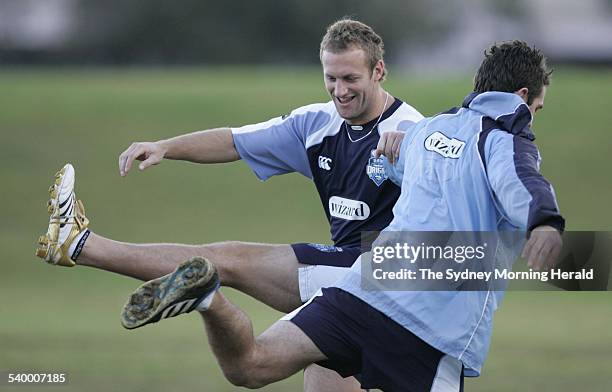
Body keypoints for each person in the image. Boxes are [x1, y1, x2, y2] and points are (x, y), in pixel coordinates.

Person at [117, 40, 564, 391]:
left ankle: (209, 299)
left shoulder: (429, 130)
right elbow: (522, 182)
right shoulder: (506, 137)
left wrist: (396, 148)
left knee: (250, 365)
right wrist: (546, 222)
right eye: (537, 110)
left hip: (362, 291)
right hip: (431, 329)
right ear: (523, 97)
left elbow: (396, 159)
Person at [35, 19, 423, 392]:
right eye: (331, 78)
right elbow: (235, 142)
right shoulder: (317, 124)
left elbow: (463, 210)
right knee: (310, 364)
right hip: (346, 274)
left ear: (378, 72)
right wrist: (166, 147)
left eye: (350, 78)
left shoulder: (413, 132)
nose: (339, 90)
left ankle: (81, 246)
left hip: (392, 272)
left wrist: (416, 155)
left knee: (226, 267)